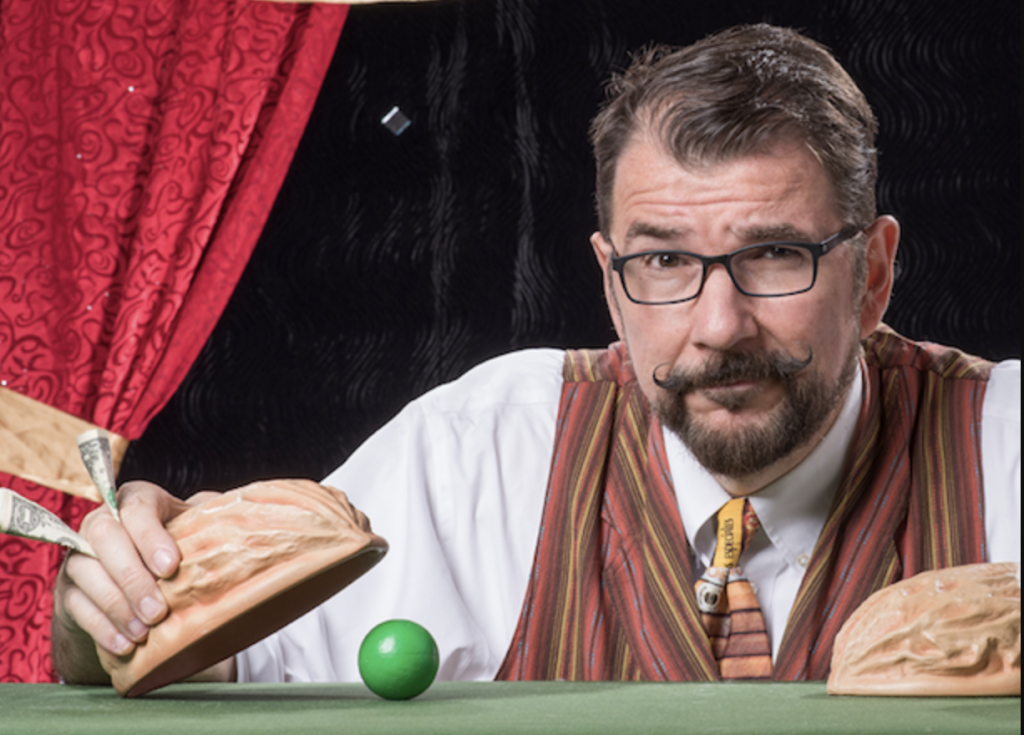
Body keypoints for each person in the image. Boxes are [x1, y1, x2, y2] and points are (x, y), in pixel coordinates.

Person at [53, 23, 1020, 686]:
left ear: (874, 273)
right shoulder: (486, 448)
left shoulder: (1003, 443)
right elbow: (184, 659)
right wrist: (109, 608)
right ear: (610, 282)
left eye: (774, 255)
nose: (720, 325)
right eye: (665, 261)